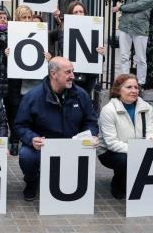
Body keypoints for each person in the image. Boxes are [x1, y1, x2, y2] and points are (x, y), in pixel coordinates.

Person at [13, 56, 99, 201]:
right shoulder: (33, 97)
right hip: (44, 146)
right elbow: (19, 125)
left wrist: (91, 135)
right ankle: (32, 181)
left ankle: (71, 180)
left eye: (73, 71)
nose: (73, 76)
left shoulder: (81, 95)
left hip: (72, 145)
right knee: (26, 156)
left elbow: (91, 122)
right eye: (68, 72)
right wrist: (31, 138)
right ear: (53, 74)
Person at [97, 74, 153, 199]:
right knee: (123, 160)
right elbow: (111, 143)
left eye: (136, 87)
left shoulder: (147, 108)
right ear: (118, 90)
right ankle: (118, 184)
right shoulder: (108, 110)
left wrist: (152, 136)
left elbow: (151, 129)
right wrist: (136, 150)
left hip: (135, 148)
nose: (134, 91)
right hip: (109, 152)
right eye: (129, 87)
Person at [5, 4, 51, 155]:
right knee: (17, 112)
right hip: (17, 85)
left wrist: (48, 58)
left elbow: (48, 57)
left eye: (29, 17)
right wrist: (7, 55)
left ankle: (30, 139)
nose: (26, 20)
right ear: (17, 19)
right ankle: (15, 140)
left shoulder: (40, 33)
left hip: (35, 84)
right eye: (23, 17)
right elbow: (4, 64)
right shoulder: (10, 35)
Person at [112, 0, 153, 86]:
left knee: (140, 59)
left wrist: (121, 7)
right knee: (124, 57)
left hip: (140, 28)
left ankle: (140, 83)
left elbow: (139, 5)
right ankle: (124, 82)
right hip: (125, 27)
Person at [51, 1, 106, 96]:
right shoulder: (63, 30)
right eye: (75, 12)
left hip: (89, 75)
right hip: (71, 73)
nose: (79, 14)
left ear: (85, 14)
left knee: (85, 99)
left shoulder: (93, 29)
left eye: (81, 11)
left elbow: (99, 58)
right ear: (70, 15)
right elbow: (61, 46)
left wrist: (102, 53)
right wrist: (58, 22)